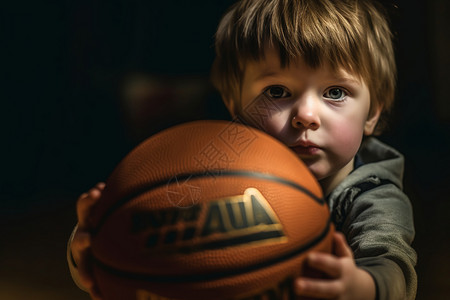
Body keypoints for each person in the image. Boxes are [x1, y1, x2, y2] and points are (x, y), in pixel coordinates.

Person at [68, 0, 417, 299]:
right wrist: (94, 246)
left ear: (372, 113)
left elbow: (392, 266)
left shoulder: (372, 196)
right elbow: (154, 236)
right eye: (277, 92)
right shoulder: (213, 174)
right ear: (235, 105)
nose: (306, 116)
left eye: (336, 92)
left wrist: (361, 287)